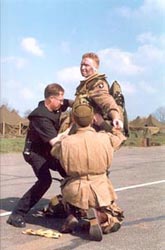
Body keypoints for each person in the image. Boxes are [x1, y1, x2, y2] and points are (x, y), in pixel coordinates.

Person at [51, 101, 126, 241]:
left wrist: (71, 130)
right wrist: (103, 123)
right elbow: (120, 138)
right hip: (101, 188)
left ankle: (74, 214)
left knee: (66, 196)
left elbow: (54, 150)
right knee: (115, 218)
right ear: (93, 119)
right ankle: (100, 216)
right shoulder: (105, 138)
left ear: (74, 119)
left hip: (75, 188)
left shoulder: (66, 142)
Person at [7, 83, 73, 228]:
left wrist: (83, 105)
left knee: (68, 171)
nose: (63, 104)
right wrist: (72, 129)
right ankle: (17, 214)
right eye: (60, 100)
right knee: (45, 181)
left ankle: (72, 207)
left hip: (46, 150)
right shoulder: (40, 116)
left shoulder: (54, 105)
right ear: (51, 99)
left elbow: (69, 102)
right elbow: (55, 141)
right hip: (34, 153)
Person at [59, 52, 124, 134]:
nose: (82, 68)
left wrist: (116, 117)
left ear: (95, 67)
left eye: (86, 65)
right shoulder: (87, 84)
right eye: (81, 64)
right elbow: (85, 103)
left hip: (90, 131)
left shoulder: (97, 84)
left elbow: (107, 101)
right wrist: (68, 102)